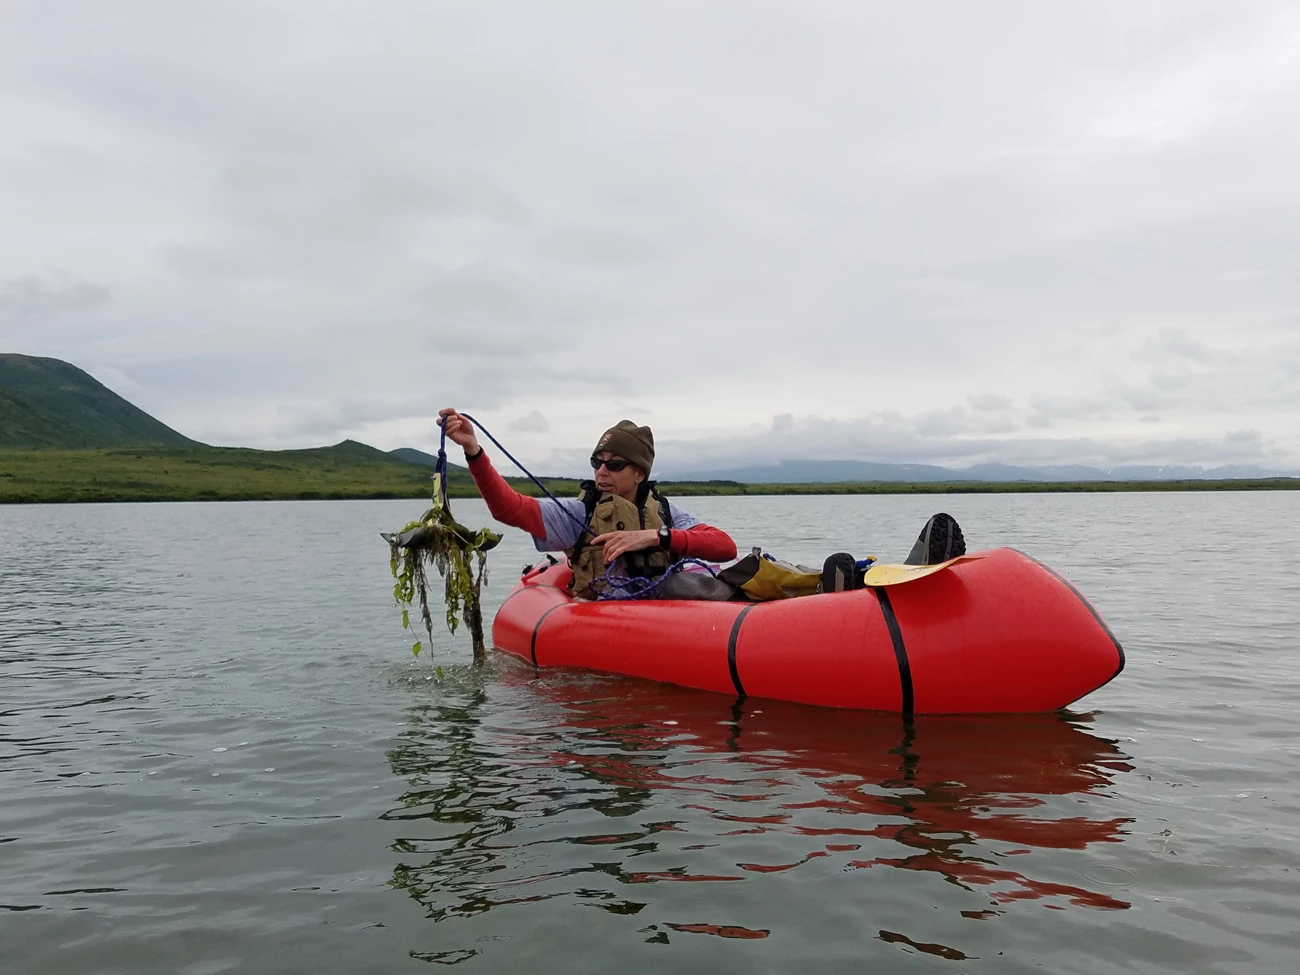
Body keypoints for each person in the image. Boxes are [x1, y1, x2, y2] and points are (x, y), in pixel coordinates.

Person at [437, 408, 738, 599]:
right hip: (601, 617)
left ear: (639, 474)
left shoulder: (665, 513)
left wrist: (654, 536)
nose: (602, 471)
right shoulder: (577, 514)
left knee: (700, 584)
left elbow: (725, 547)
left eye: (615, 464)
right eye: (597, 462)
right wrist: (474, 451)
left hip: (662, 612)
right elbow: (508, 508)